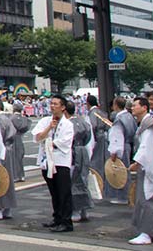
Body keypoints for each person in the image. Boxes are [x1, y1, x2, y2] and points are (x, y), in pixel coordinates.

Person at [128, 97, 153, 245]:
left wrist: (137, 161)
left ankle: (148, 233)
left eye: (135, 105)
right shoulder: (144, 124)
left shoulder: (148, 125)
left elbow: (146, 146)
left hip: (151, 167)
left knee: (149, 199)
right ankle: (147, 231)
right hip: (149, 166)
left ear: (144, 108)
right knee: (146, 199)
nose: (132, 108)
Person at [32, 94, 74, 233]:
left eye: (56, 104)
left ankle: (66, 221)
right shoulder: (45, 121)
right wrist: (49, 128)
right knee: (54, 192)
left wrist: (49, 142)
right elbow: (38, 137)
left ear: (63, 107)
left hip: (60, 162)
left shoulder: (68, 124)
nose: (53, 106)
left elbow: (64, 142)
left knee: (64, 192)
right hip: (46, 161)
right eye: (51, 103)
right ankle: (57, 218)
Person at [65, 101, 93, 223]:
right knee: (83, 180)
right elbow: (89, 138)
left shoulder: (67, 124)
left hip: (72, 153)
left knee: (72, 181)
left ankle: (75, 210)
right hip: (83, 151)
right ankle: (84, 210)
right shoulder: (83, 122)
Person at [106, 96, 136, 204]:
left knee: (120, 172)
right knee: (125, 170)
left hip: (121, 146)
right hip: (128, 145)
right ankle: (125, 195)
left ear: (116, 105)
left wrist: (114, 152)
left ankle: (122, 196)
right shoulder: (129, 116)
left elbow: (117, 137)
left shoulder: (119, 119)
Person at [86, 95, 110, 184]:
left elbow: (93, 125)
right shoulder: (102, 112)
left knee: (96, 160)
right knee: (104, 158)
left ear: (88, 103)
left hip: (96, 138)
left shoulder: (92, 113)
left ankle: (98, 179)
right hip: (105, 136)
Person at [10, 103, 31, 182]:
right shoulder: (24, 119)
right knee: (19, 157)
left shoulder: (11, 118)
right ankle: (21, 175)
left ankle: (15, 176)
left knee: (13, 157)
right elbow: (26, 126)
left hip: (12, 138)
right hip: (19, 138)